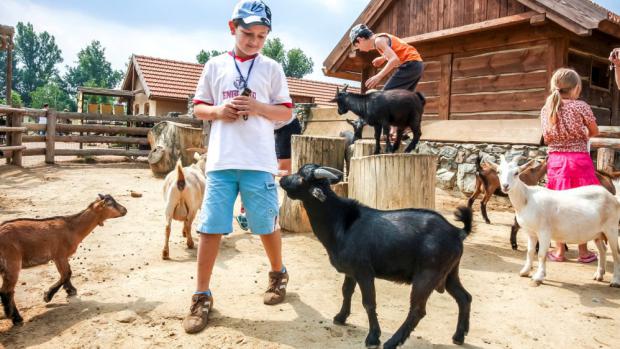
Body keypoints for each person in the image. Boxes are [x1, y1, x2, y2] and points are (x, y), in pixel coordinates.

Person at [184, 0, 293, 334]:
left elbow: (286, 113)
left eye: (262, 36)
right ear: (233, 29)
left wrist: (259, 106)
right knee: (210, 227)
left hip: (259, 161)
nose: (255, 41)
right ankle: (201, 295)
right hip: (220, 161)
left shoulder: (272, 68)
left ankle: (278, 274)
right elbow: (199, 107)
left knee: (264, 224)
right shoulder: (215, 66)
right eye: (248, 34)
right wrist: (219, 111)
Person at [541, 68, 599, 263]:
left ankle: (559, 252)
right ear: (575, 88)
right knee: (582, 204)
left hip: (556, 162)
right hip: (579, 161)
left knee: (558, 205)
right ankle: (583, 252)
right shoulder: (581, 106)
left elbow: (547, 137)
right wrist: (582, 134)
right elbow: (594, 131)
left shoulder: (546, 109)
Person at [349, 24, 423, 140]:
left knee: (385, 96)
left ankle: (388, 132)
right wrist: (383, 58)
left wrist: (378, 76)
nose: (360, 50)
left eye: (358, 47)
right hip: (417, 65)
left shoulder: (378, 41)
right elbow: (396, 49)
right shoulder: (379, 39)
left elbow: (394, 59)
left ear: (360, 39)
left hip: (410, 64)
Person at [236, 116, 300, 231]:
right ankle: (246, 212)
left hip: (285, 125)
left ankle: (280, 213)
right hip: (266, 128)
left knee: (282, 170)